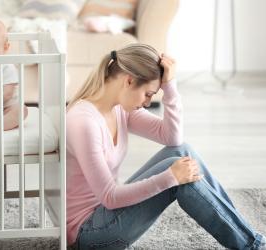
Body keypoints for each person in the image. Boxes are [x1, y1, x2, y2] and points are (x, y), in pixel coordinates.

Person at [66, 43, 266, 249]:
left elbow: (173, 139)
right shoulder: (85, 122)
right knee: (177, 171)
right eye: (149, 94)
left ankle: (248, 237)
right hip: (90, 234)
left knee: (182, 152)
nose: (147, 102)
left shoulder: (119, 109)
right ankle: (253, 246)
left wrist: (170, 85)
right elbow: (110, 197)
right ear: (129, 80)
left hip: (105, 216)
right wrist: (171, 177)